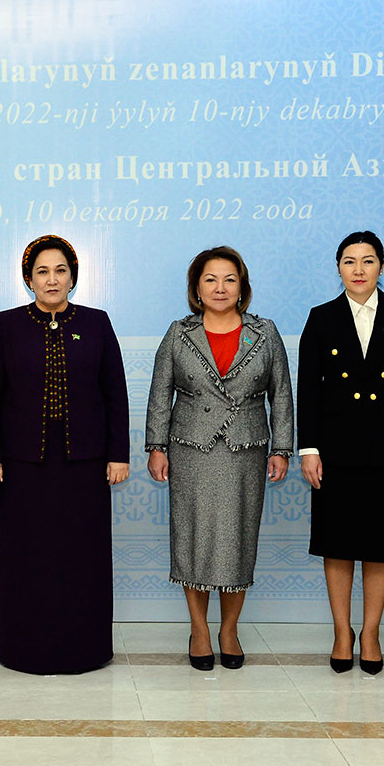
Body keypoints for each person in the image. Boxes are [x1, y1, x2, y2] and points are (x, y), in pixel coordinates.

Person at [0, 234, 130, 674]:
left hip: (86, 465)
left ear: (73, 277)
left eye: (60, 270)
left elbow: (114, 393)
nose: (52, 279)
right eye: (42, 271)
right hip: (25, 465)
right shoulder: (6, 325)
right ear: (28, 279)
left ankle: (87, 649)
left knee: (84, 558)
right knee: (29, 558)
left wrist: (117, 453)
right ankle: (23, 649)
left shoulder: (97, 323)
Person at [145, 246, 293, 671]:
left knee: (237, 542)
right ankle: (199, 630)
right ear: (196, 288)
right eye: (210, 279)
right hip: (190, 449)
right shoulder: (179, 333)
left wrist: (281, 448)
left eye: (229, 279)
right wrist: (156, 446)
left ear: (242, 286)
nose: (220, 287)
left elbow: (280, 395)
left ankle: (229, 629)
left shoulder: (265, 332)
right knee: (192, 539)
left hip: (246, 449)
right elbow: (160, 393)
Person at [297, 231, 384, 675]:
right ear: (338, 268)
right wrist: (309, 449)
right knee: (337, 545)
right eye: (350, 261)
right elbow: (309, 391)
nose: (358, 269)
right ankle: (342, 632)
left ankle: (370, 632)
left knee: (380, 545)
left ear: (382, 267)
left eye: (368, 261)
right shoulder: (321, 318)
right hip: (334, 452)